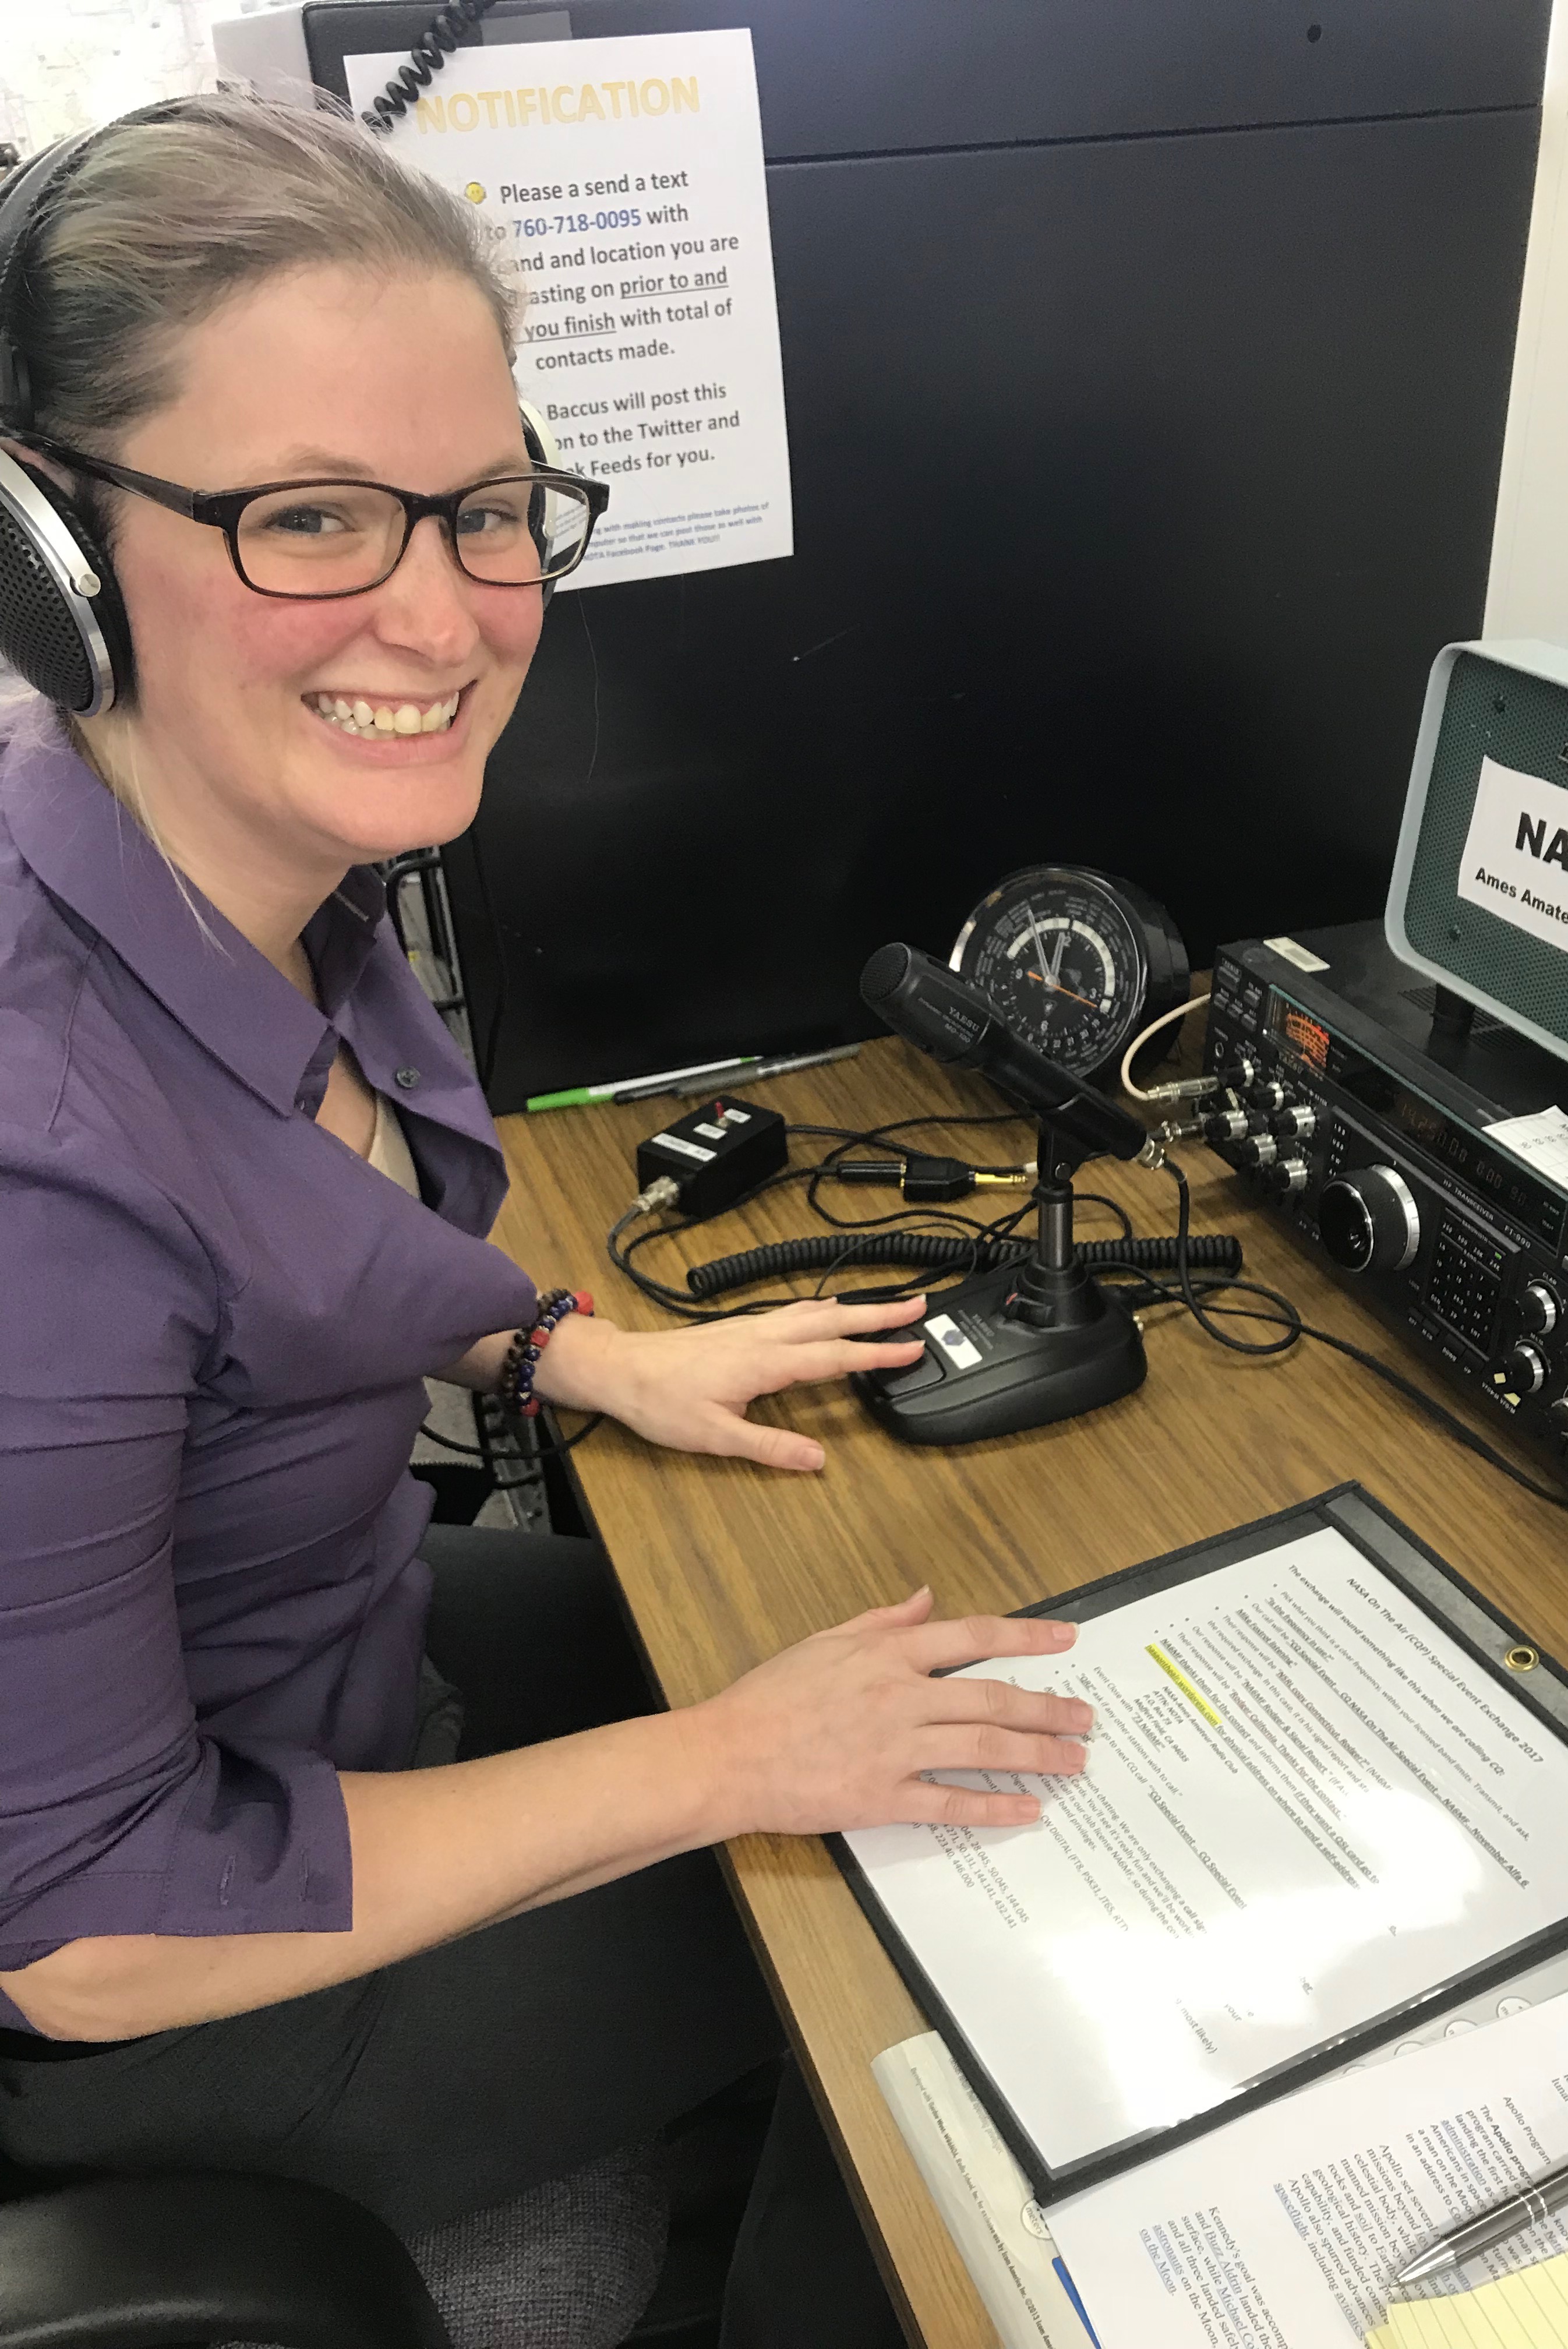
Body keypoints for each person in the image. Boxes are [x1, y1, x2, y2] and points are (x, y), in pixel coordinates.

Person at [0, 95, 1094, 2343]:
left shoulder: (226, 858)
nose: (444, 613)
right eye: (310, 516)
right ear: (52, 552)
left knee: (904, 1672)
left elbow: (283, 1219)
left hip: (324, 1669)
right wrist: (729, 1763)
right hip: (186, 1998)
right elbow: (90, 1929)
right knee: (941, 1928)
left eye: (486, 509)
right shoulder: (30, 1143)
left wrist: (572, 1348)